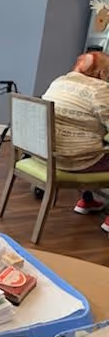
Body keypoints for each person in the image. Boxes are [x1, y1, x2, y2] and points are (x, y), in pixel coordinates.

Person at [42, 51, 109, 232]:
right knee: (97, 148)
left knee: (88, 142)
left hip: (47, 155)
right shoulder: (100, 89)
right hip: (77, 160)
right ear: (102, 73)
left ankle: (86, 201)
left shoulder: (59, 82)